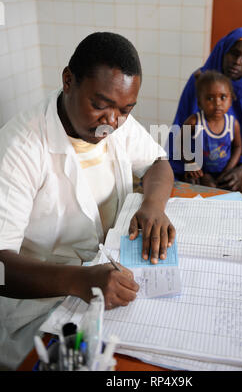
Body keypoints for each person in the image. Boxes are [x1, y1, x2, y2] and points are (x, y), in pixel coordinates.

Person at [0, 32, 175, 370]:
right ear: (68, 81)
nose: (111, 122)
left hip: (105, 277)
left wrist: (153, 205)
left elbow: (158, 163)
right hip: (43, 304)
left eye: (125, 110)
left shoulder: (115, 120)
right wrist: (80, 280)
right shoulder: (18, 149)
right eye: (100, 105)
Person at [167, 27, 242, 198]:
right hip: (199, 166)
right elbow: (180, 136)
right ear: (223, 50)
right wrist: (192, 166)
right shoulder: (200, 83)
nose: (238, 62)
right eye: (234, 53)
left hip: (236, 167)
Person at [181, 70, 242, 195]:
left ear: (231, 100)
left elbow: (238, 147)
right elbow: (180, 142)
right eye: (209, 98)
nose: (217, 103)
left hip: (227, 169)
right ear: (200, 102)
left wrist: (229, 169)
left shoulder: (232, 124)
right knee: (211, 190)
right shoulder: (194, 121)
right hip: (205, 171)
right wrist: (190, 162)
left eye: (223, 97)